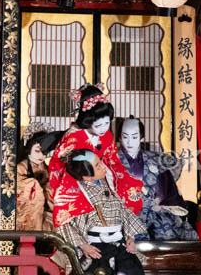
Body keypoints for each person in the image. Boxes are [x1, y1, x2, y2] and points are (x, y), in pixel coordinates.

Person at [47, 84, 143, 231]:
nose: (104, 128)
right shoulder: (73, 136)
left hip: (100, 173)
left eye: (107, 123)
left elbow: (112, 159)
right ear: (86, 120)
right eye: (99, 125)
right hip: (76, 177)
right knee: (78, 206)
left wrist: (116, 175)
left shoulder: (106, 135)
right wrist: (88, 172)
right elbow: (61, 162)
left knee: (129, 187)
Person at [57, 148, 146, 275]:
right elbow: (65, 223)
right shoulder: (75, 194)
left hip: (118, 240)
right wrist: (83, 245)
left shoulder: (110, 183)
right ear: (87, 177)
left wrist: (130, 238)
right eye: (97, 166)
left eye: (100, 162)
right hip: (95, 245)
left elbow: (124, 212)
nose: (103, 166)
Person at [116, 116, 198, 241]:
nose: (129, 142)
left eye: (134, 137)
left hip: (154, 212)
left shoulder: (155, 160)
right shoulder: (110, 161)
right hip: (123, 214)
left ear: (141, 137)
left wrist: (162, 204)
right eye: (125, 137)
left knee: (168, 232)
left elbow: (167, 193)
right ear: (119, 138)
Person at [16, 128, 60, 231]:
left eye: (45, 152)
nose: (41, 155)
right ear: (29, 148)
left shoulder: (47, 169)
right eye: (37, 150)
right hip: (28, 212)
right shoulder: (20, 168)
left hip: (47, 212)